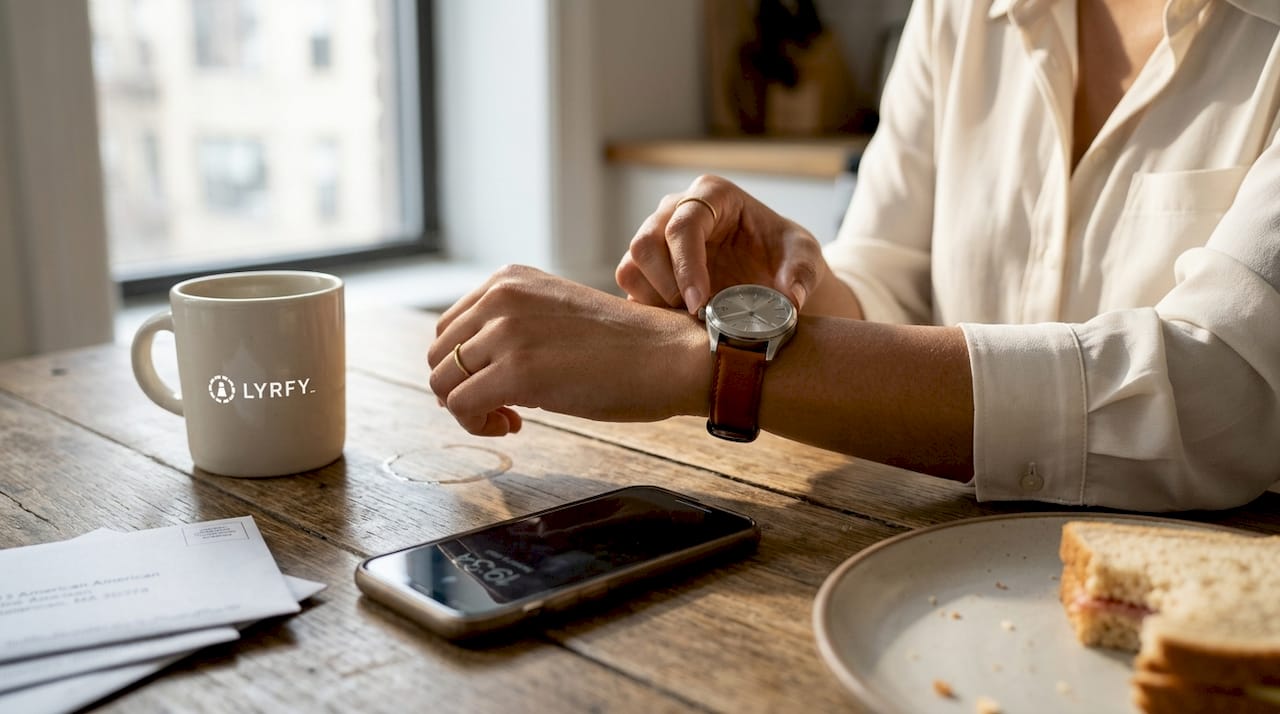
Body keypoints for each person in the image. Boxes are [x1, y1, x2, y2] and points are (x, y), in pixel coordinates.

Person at [428, 0, 1280, 512]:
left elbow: (1219, 393)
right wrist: (791, 296)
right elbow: (891, 280)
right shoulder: (957, 12)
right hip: (937, 571)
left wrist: (701, 362)